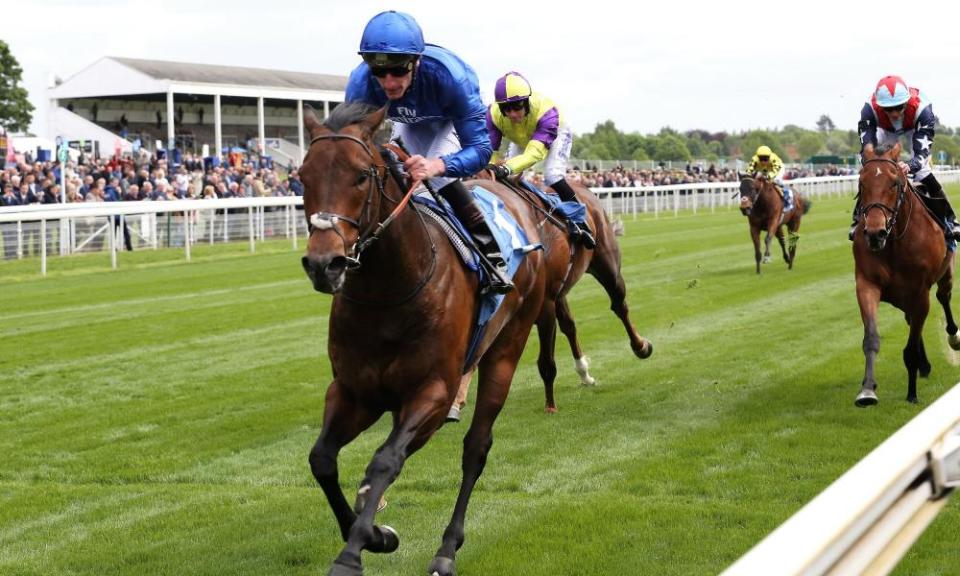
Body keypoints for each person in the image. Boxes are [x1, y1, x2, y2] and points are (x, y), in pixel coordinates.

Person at [345, 10, 511, 294]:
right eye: (379, 71)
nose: (388, 82)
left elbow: (481, 150)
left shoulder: (452, 78)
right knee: (393, 176)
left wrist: (438, 166)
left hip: (448, 124)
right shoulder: (360, 82)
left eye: (398, 70)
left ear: (416, 61)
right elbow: (351, 145)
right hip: (408, 124)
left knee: (436, 179)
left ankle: (492, 258)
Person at [485, 71, 595, 249]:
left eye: (517, 106)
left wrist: (506, 168)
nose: (512, 114)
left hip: (555, 134)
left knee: (552, 175)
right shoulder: (492, 114)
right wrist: (491, 166)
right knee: (505, 180)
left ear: (526, 101)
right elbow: (491, 150)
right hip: (522, 139)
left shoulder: (547, 112)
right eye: (506, 109)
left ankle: (581, 221)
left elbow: (534, 154)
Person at [852, 75, 960, 240]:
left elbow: (922, 154)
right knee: (870, 167)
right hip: (883, 129)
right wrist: (870, 159)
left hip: (913, 129)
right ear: (880, 106)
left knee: (922, 171)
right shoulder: (869, 109)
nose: (894, 114)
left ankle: (951, 221)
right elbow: (867, 146)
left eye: (899, 107)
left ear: (907, 102)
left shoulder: (923, 110)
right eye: (888, 109)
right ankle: (857, 219)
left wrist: (910, 165)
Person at [745, 145, 794, 211]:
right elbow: (749, 170)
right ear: (757, 157)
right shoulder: (754, 160)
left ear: (769, 156)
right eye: (761, 159)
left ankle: (788, 199)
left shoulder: (774, 159)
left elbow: (775, 171)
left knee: (777, 181)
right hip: (764, 170)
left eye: (765, 158)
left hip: (777, 169)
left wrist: (769, 177)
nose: (763, 161)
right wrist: (747, 178)